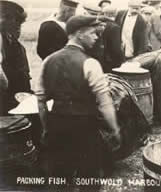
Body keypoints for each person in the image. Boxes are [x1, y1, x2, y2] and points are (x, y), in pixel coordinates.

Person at [37, 15, 121, 185]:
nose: (97, 38)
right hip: (85, 127)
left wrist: (46, 128)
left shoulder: (48, 61)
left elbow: (41, 100)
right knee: (88, 177)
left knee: (60, 176)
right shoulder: (90, 63)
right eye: (93, 34)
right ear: (80, 34)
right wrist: (115, 128)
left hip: (57, 125)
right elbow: (105, 103)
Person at [0, 0, 32, 114]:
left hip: (18, 98)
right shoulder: (5, 42)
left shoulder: (17, 45)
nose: (18, 28)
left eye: (19, 23)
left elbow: (24, 75)